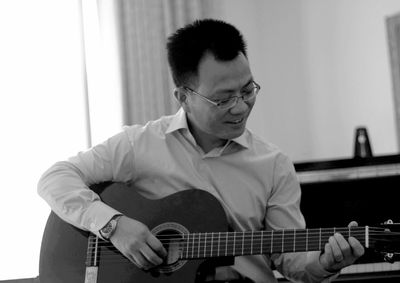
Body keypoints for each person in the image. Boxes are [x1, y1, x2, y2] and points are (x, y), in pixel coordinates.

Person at [38, 19, 364, 283]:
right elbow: (55, 179)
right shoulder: (139, 145)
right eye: (222, 99)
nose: (240, 107)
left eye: (248, 90)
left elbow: (293, 263)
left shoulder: (274, 165)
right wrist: (114, 225)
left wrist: (324, 264)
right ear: (182, 96)